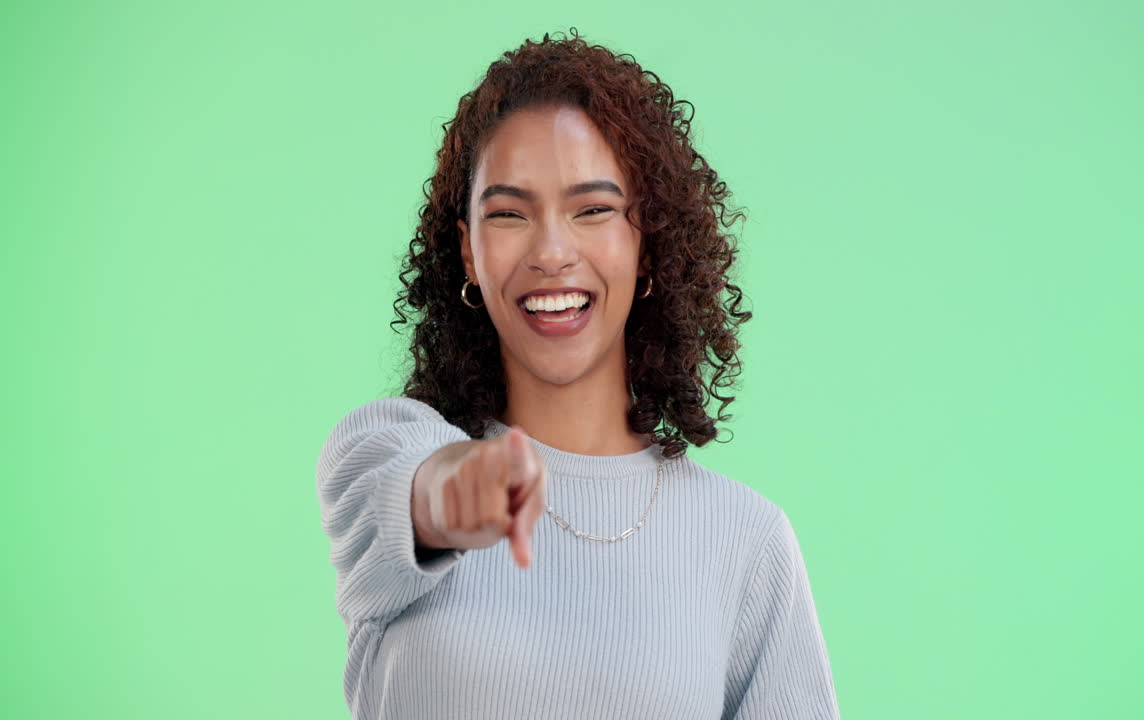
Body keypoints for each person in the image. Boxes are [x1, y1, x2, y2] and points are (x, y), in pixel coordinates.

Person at [315, 27, 840, 719]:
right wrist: (454, 492)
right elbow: (415, 493)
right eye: (508, 214)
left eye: (593, 209)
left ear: (646, 241)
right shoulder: (385, 449)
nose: (552, 252)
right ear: (469, 254)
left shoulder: (744, 540)